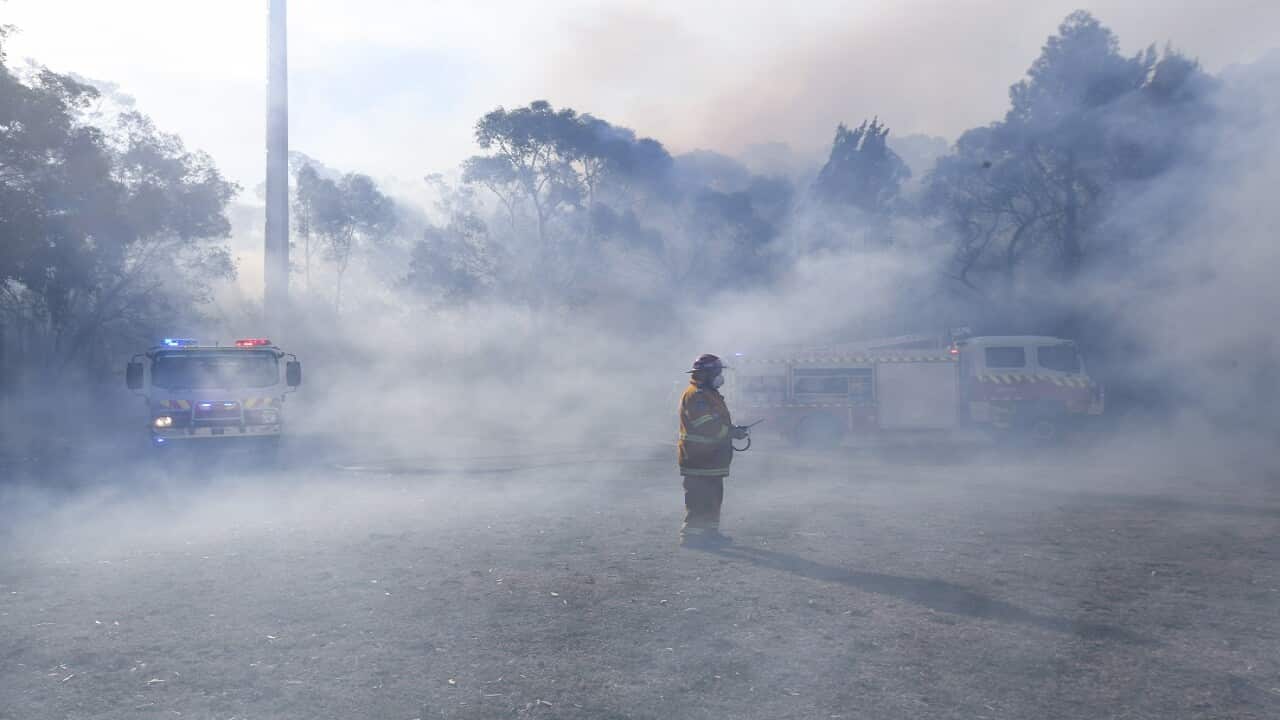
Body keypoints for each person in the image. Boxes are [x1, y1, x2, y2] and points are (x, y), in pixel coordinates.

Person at [677, 353, 749, 546]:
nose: (720, 376)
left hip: (711, 458)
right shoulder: (696, 396)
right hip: (698, 457)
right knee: (699, 499)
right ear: (706, 374)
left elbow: (716, 422)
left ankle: (709, 534)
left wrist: (733, 431)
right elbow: (706, 426)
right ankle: (692, 536)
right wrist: (731, 433)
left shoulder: (709, 393)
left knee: (713, 498)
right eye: (717, 372)